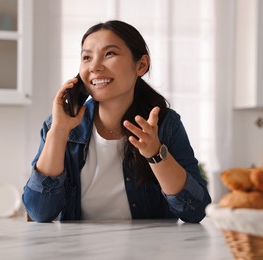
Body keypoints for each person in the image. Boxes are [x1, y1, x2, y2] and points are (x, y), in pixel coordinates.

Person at [22, 20, 211, 223]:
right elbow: (39, 213)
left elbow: (196, 211)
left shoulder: (165, 124)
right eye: (87, 57)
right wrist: (59, 131)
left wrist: (156, 154)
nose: (94, 66)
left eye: (109, 54)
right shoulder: (58, 125)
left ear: (141, 65)